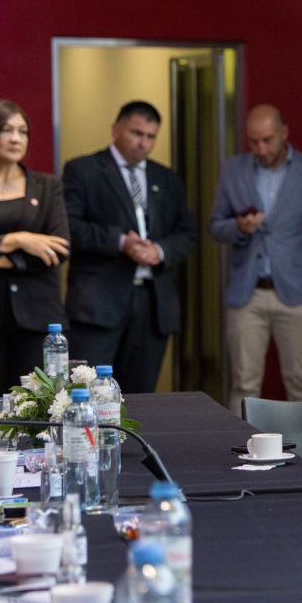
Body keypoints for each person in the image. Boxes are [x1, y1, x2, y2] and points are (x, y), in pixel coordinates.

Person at [209, 104, 302, 417]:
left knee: (300, 384)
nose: (261, 149)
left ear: (284, 133)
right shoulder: (233, 169)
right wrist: (239, 227)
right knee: (243, 384)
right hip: (247, 294)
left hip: (299, 295)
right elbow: (216, 226)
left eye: (267, 140)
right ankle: (238, 447)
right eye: (254, 142)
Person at [63, 101, 197, 394]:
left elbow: (188, 233)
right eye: (136, 133)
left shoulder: (166, 178)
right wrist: (120, 241)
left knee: (140, 394)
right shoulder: (83, 170)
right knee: (89, 392)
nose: (143, 143)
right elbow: (69, 227)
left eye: (151, 136)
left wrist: (159, 251)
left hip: (152, 302)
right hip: (99, 303)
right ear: (115, 130)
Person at [0, 100, 70, 397]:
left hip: (37, 316)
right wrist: (17, 240)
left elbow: (58, 249)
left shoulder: (47, 186)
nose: (16, 139)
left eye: (22, 132)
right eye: (6, 130)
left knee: (36, 405)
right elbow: (33, 246)